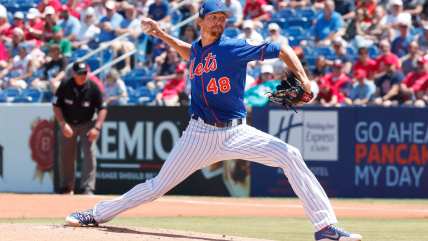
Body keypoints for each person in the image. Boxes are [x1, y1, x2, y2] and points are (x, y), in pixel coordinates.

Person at [65, 1, 362, 240]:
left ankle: (324, 228)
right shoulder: (198, 48)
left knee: (290, 155)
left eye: (223, 17)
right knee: (156, 187)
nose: (219, 22)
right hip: (199, 135)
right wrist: (161, 34)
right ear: (201, 21)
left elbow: (282, 49)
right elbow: (190, 54)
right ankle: (96, 213)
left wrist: (304, 80)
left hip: (237, 131)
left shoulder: (233, 47)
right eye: (214, 17)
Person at [53, 61, 107, 195]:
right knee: (66, 155)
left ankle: (87, 188)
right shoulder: (65, 85)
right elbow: (56, 105)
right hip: (68, 123)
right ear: (73, 74)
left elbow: (103, 108)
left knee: (89, 153)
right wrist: (62, 123)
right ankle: (67, 187)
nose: (83, 76)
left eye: (85, 73)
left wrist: (97, 128)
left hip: (87, 123)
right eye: (80, 74)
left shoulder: (93, 87)